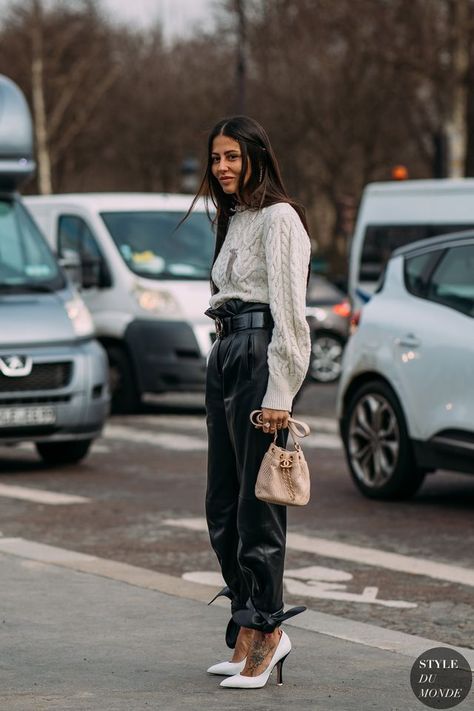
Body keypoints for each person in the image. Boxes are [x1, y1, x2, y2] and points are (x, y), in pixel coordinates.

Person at [191, 115, 312, 689]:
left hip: (260, 353)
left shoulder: (280, 219)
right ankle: (245, 626)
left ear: (256, 157)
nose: (223, 168)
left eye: (233, 157)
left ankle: (268, 630)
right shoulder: (234, 218)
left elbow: (290, 311)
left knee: (256, 505)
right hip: (226, 352)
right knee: (221, 505)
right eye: (216, 158)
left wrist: (281, 392)